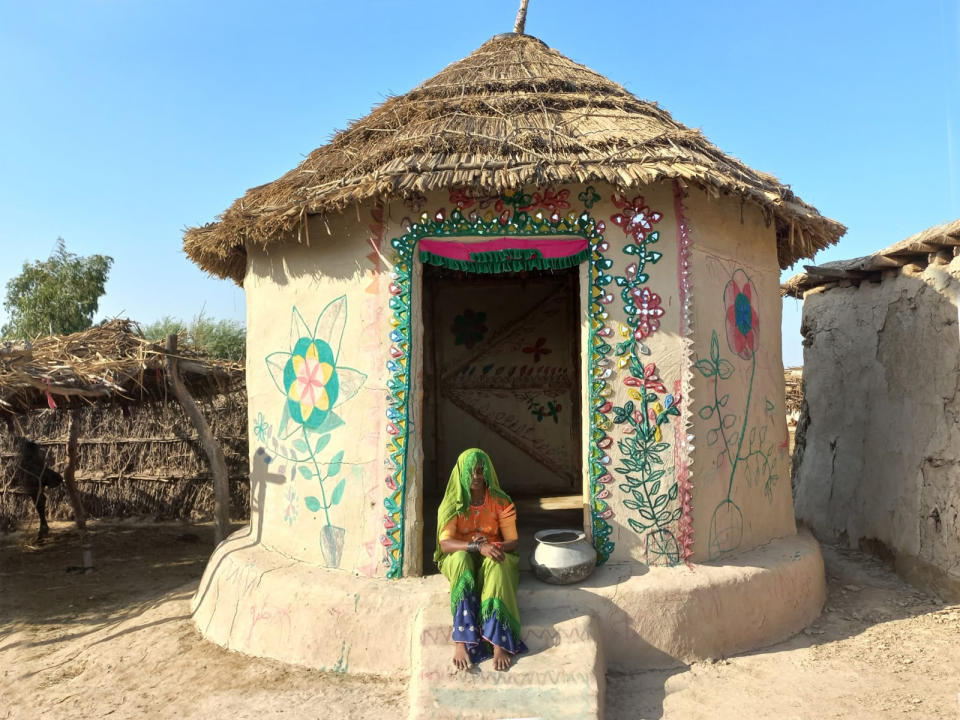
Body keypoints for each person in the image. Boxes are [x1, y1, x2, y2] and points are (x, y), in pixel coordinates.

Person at [435, 448, 526, 671]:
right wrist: (477, 546)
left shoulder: (500, 501)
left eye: (480, 472)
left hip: (491, 552)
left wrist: (491, 546)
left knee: (497, 565)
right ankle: (462, 642)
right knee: (460, 560)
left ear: (487, 473)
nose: (476, 477)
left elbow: (512, 542)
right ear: (460, 473)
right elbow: (445, 544)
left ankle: (498, 643)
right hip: (462, 553)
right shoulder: (452, 504)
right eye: (470, 472)